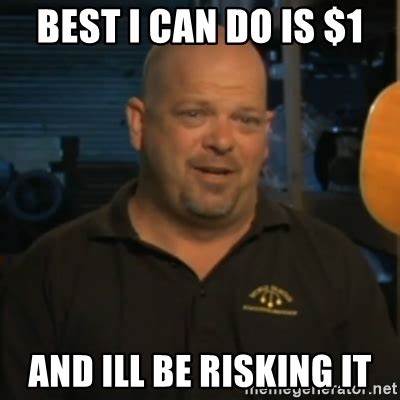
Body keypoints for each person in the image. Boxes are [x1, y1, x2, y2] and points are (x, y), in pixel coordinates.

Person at [1, 27, 399, 399]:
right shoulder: (50, 273)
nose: (222, 141)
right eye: (195, 114)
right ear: (139, 124)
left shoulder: (335, 266)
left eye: (245, 120)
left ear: (266, 134)